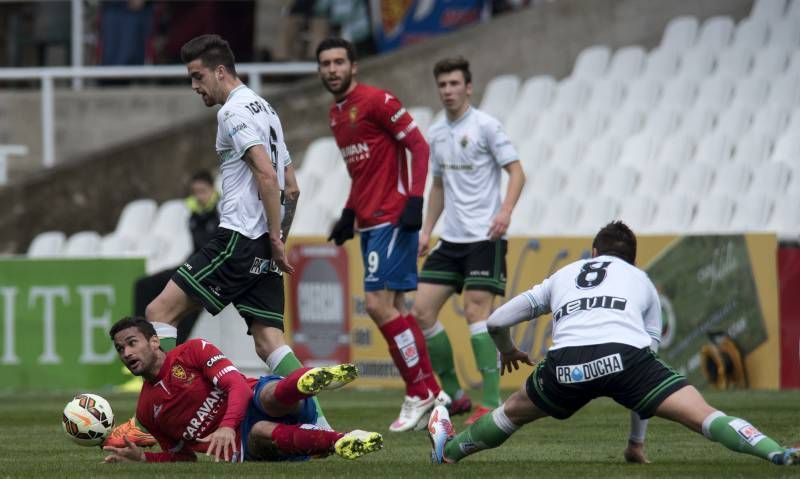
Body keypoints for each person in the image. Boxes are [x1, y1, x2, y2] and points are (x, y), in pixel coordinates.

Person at [428, 221, 800, 466]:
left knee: (510, 414)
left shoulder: (564, 274)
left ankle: (449, 452)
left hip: (567, 366)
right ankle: (775, 453)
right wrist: (636, 444)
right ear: (632, 259)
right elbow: (646, 360)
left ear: (594, 252)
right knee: (705, 416)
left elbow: (494, 321)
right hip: (625, 359)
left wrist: (508, 349)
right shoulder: (641, 281)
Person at [108, 33, 329, 444]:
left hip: (238, 238)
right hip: (261, 242)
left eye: (197, 76)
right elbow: (292, 186)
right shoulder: (266, 108)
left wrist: (276, 239)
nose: (194, 87)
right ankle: (320, 423)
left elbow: (266, 173)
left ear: (220, 71)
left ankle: (171, 410)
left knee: (160, 310)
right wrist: (277, 238)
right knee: (269, 344)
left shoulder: (233, 112)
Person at [317, 37, 444, 432]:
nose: (333, 69)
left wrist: (415, 202)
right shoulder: (336, 115)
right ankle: (433, 391)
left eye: (340, 61)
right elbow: (362, 173)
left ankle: (418, 392)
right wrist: (348, 213)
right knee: (399, 310)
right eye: (326, 64)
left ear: (354, 66)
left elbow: (420, 147)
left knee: (377, 305)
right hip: (369, 221)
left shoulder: (378, 101)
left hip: (392, 216)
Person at [410, 56, 525, 426]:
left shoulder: (487, 127)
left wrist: (505, 212)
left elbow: (517, 172)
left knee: (477, 313)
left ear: (468, 87)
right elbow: (439, 186)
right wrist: (427, 230)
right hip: (451, 241)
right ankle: (456, 396)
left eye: (454, 84)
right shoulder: (437, 132)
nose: (448, 91)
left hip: (484, 239)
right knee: (422, 312)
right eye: (442, 85)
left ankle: (491, 402)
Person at [103, 317, 383, 463]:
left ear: (154, 342)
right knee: (260, 431)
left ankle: (306, 384)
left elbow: (236, 385)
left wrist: (225, 425)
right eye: (120, 349)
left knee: (267, 394)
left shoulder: (192, 351)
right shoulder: (146, 410)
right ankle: (342, 440)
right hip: (243, 444)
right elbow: (182, 457)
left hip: (258, 402)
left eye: (131, 343)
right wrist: (144, 458)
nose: (126, 353)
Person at [132, 170, 220, 345]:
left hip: (211, 270)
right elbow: (197, 248)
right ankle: (141, 340)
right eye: (195, 193)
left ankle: (173, 352)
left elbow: (215, 248)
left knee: (185, 304)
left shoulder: (222, 212)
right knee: (143, 285)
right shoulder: (194, 216)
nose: (198, 197)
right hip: (194, 264)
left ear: (212, 190)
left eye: (202, 191)